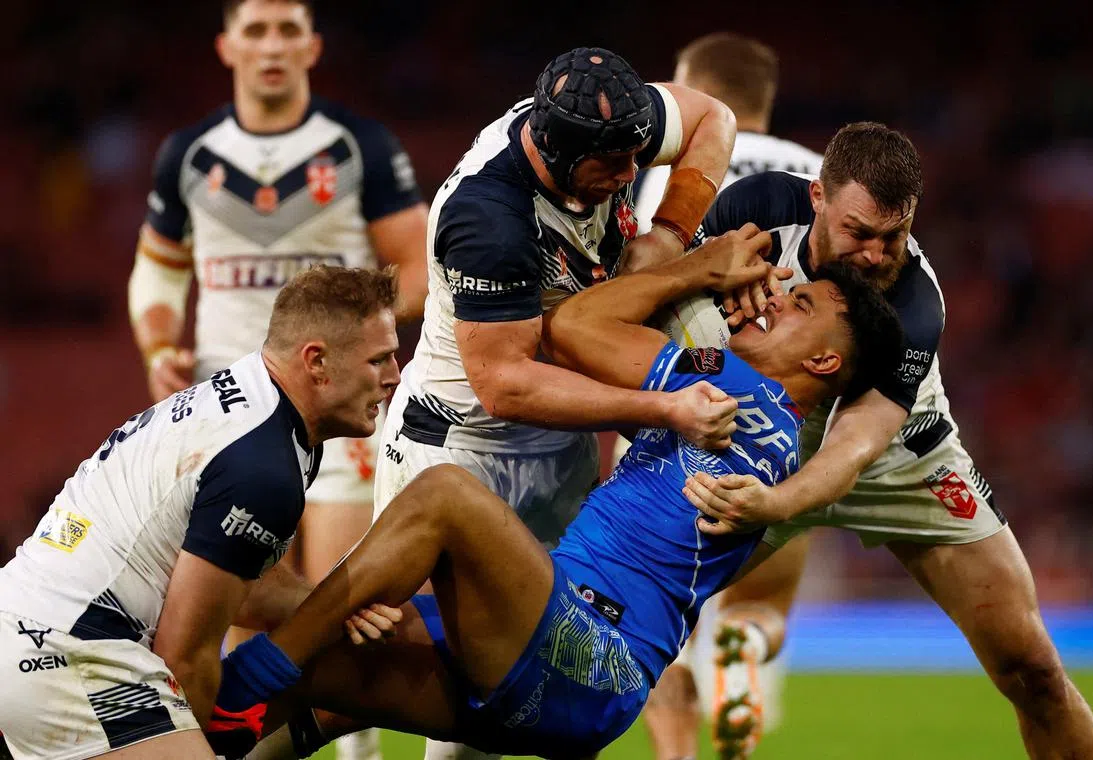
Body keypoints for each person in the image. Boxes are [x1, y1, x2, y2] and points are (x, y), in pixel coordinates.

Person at [202, 225, 904, 760]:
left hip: (594, 651)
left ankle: (263, 667)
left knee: (445, 497)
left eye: (801, 304)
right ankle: (225, 699)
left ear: (823, 359)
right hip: (558, 657)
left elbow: (571, 326)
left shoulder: (741, 392)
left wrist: (696, 267)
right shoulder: (757, 416)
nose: (776, 298)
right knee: (318, 651)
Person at [683, 121, 1093, 758]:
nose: (877, 256)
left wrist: (773, 506)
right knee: (634, 615)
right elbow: (667, 292)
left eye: (895, 236)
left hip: (903, 463)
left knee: (1034, 669)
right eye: (859, 233)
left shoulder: (915, 304)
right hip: (758, 448)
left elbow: (855, 445)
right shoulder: (756, 209)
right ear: (818, 199)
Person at [374, 45, 737, 760]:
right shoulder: (490, 218)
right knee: (457, 693)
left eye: (637, 155)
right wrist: (660, 409)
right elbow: (504, 384)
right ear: (557, 153)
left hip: (557, 448)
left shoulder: (603, 119)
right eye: (613, 164)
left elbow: (713, 117)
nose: (633, 174)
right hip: (460, 451)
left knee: (559, 673)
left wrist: (667, 236)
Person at [128, 4, 428, 755]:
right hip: (225, 408)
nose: (272, 45)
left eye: (288, 28)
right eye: (256, 29)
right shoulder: (190, 153)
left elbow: (418, 266)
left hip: (336, 407)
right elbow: (157, 271)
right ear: (227, 44)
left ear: (313, 46)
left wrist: (360, 336)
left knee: (343, 600)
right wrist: (158, 342)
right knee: (235, 610)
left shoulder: (358, 145)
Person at [0, 266, 405, 759]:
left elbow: (236, 582)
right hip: (74, 654)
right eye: (379, 359)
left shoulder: (253, 401)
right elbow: (185, 656)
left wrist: (335, 607)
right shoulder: (263, 463)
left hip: (32, 628)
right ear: (316, 361)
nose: (394, 376)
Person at [620, 33, 824, 759]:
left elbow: (622, 291)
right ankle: (743, 641)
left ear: (688, 89)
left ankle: (677, 755)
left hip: (677, 401)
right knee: (762, 604)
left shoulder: (659, 176)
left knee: (656, 617)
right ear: (768, 99)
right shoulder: (821, 177)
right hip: (788, 413)